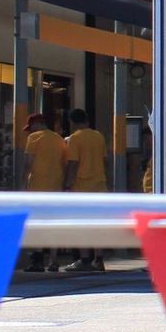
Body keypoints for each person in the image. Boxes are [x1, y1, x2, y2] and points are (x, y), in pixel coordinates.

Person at [63, 108, 109, 272]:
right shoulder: (98, 136)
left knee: (82, 223)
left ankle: (84, 259)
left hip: (82, 187)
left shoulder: (75, 138)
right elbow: (105, 160)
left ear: (72, 122)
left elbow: (73, 163)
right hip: (99, 185)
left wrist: (68, 184)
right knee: (99, 224)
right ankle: (99, 258)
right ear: (87, 119)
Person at [20, 112, 66, 271]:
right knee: (53, 224)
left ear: (36, 125)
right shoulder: (59, 140)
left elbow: (28, 164)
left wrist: (22, 185)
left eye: (30, 128)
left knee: (37, 223)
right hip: (56, 187)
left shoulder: (34, 138)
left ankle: (37, 260)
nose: (30, 132)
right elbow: (64, 164)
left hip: (37, 188)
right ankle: (53, 260)